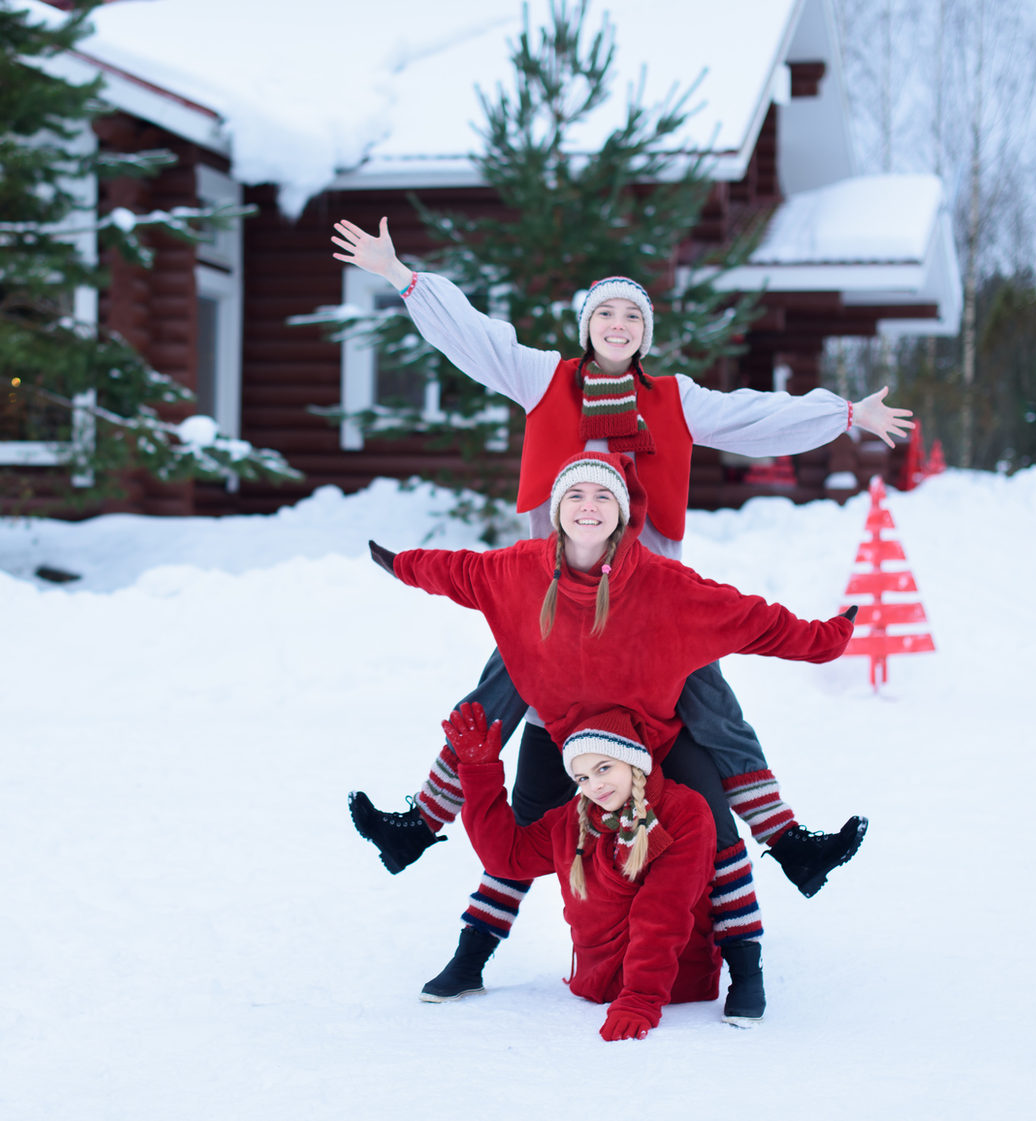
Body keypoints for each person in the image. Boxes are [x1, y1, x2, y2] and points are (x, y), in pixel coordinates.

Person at [334, 216, 906, 1005]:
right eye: (606, 313)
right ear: (586, 326)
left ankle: (787, 844)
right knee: (493, 701)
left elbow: (756, 415)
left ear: (645, 333)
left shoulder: (677, 398)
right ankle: (420, 827)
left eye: (632, 316)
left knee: (719, 716)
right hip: (553, 596)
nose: (618, 325)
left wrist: (842, 414)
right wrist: (406, 279)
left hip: (651, 607)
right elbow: (472, 338)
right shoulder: (543, 377)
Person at [370, 450, 855, 1023]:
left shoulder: (663, 583)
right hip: (560, 741)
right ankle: (469, 959)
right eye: (575, 496)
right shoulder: (516, 572)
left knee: (717, 832)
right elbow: (456, 571)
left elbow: (749, 618)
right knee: (519, 842)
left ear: (621, 513)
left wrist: (823, 640)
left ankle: (747, 971)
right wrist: (402, 563)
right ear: (556, 510)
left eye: (602, 497)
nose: (588, 507)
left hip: (648, 747)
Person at [445, 702, 719, 1042]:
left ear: (633, 761)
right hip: (593, 989)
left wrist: (640, 999)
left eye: (604, 768)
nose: (595, 786)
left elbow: (664, 913)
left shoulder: (683, 811)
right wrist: (480, 773)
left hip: (672, 989)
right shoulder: (574, 820)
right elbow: (507, 858)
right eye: (583, 777)